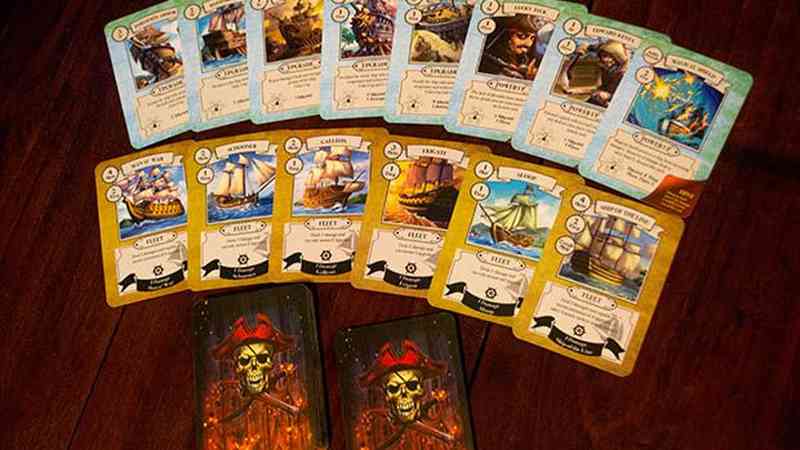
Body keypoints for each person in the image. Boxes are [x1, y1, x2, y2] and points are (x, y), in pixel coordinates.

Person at [479, 14, 547, 80]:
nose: (529, 44)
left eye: (532, 38)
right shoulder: (486, 63)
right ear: (506, 36)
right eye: (522, 36)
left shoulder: (525, 61)